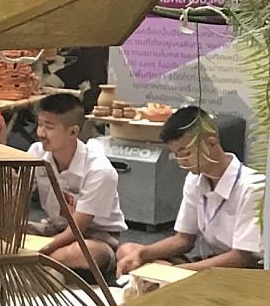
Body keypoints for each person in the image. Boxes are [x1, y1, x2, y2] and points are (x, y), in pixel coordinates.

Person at [116, 106, 265, 275]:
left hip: (246, 272)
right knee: (128, 251)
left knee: (159, 273)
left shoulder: (253, 187)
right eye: (177, 155)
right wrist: (142, 253)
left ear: (211, 143)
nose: (181, 162)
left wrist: (174, 273)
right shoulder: (195, 180)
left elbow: (242, 258)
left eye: (186, 154)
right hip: (211, 261)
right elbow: (184, 239)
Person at [27, 93, 125, 276]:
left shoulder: (100, 170)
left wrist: (39, 250)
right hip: (53, 228)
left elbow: (76, 230)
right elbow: (19, 198)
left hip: (94, 237)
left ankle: (35, 265)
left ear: (73, 132)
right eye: (40, 124)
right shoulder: (36, 152)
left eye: (49, 127)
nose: (41, 133)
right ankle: (42, 266)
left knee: (79, 252)